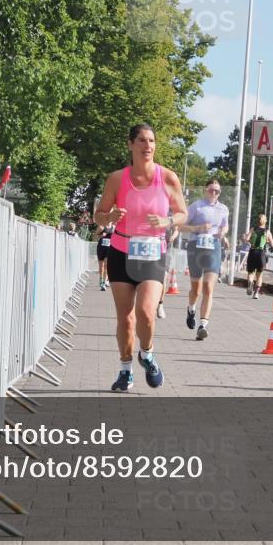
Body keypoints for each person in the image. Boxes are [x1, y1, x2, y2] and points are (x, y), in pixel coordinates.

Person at [94, 124, 187, 392]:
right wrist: (108, 218)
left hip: (153, 254)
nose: (148, 146)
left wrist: (167, 219)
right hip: (121, 252)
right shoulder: (116, 179)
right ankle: (125, 370)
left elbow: (183, 213)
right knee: (126, 319)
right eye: (142, 141)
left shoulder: (168, 178)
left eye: (152, 141)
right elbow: (99, 214)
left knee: (146, 313)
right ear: (130, 144)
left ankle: (147, 354)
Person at [176, 179, 230, 339]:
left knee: (208, 287)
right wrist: (197, 228)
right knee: (196, 289)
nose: (214, 193)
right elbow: (180, 226)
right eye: (212, 190)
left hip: (214, 246)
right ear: (206, 190)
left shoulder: (223, 208)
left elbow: (225, 225)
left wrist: (223, 232)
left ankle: (203, 325)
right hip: (195, 247)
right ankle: (191, 308)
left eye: (217, 191)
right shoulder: (196, 206)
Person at [243, 214, 273, 299]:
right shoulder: (267, 231)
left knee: (251, 273)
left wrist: (250, 241)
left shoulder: (253, 229)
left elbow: (246, 239)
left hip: (252, 252)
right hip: (261, 253)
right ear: (265, 221)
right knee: (259, 275)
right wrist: (267, 241)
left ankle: (250, 282)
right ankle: (256, 293)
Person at [95, 222, 114, 291]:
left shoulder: (114, 227)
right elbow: (94, 236)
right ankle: (101, 279)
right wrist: (100, 235)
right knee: (101, 266)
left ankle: (104, 282)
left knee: (107, 265)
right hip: (101, 248)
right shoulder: (101, 227)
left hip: (109, 248)